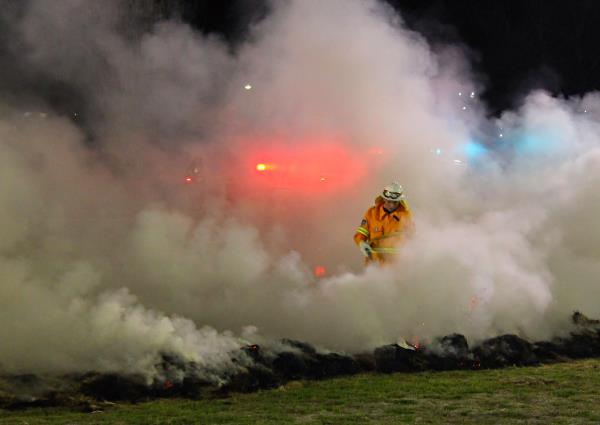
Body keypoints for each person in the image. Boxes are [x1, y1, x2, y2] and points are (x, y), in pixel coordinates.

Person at [353, 182, 414, 265]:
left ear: (399, 200)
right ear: (384, 199)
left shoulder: (405, 215)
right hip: (375, 265)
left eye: (395, 202)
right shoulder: (371, 213)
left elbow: (412, 238)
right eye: (389, 201)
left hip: (397, 266)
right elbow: (360, 234)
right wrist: (361, 243)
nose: (392, 205)